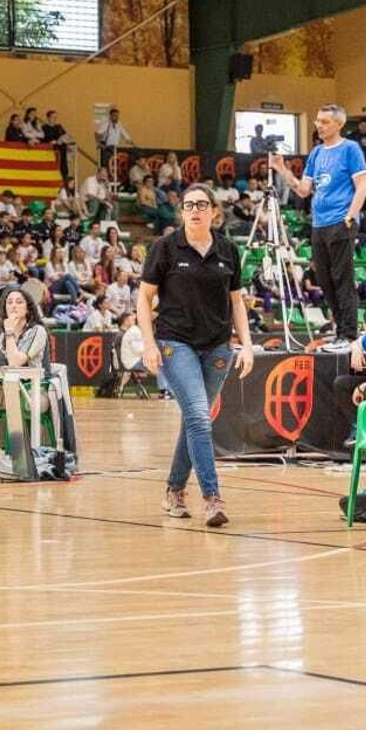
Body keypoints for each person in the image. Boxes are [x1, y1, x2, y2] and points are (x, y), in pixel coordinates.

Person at [138, 182, 255, 528]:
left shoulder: (228, 250)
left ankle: (173, 490)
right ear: (182, 211)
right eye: (189, 205)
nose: (195, 210)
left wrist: (246, 344)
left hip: (218, 346)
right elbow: (143, 299)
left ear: (214, 211)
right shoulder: (165, 248)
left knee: (195, 419)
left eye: (202, 204)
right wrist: (148, 343)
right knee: (201, 418)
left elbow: (237, 302)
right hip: (176, 343)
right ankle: (212, 498)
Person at [271, 105, 366, 345]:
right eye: (317, 120)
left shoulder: (350, 149)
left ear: (338, 124)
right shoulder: (316, 153)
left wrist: (349, 217)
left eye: (324, 121)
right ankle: (339, 331)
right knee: (324, 279)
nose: (318, 125)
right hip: (319, 223)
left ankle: (348, 333)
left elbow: (362, 186)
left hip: (340, 221)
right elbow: (303, 190)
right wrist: (281, 168)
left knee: (342, 278)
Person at [335, 306, 366, 446]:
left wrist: (361, 388)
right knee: (342, 383)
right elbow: (355, 342)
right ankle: (358, 428)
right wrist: (356, 349)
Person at [95, 107, 132, 173]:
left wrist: (133, 144)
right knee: (105, 166)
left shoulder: (119, 125)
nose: (116, 117)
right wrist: (99, 144)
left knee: (114, 165)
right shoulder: (106, 124)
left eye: (117, 116)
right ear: (111, 116)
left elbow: (125, 135)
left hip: (115, 149)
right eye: (114, 115)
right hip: (107, 148)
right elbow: (97, 133)